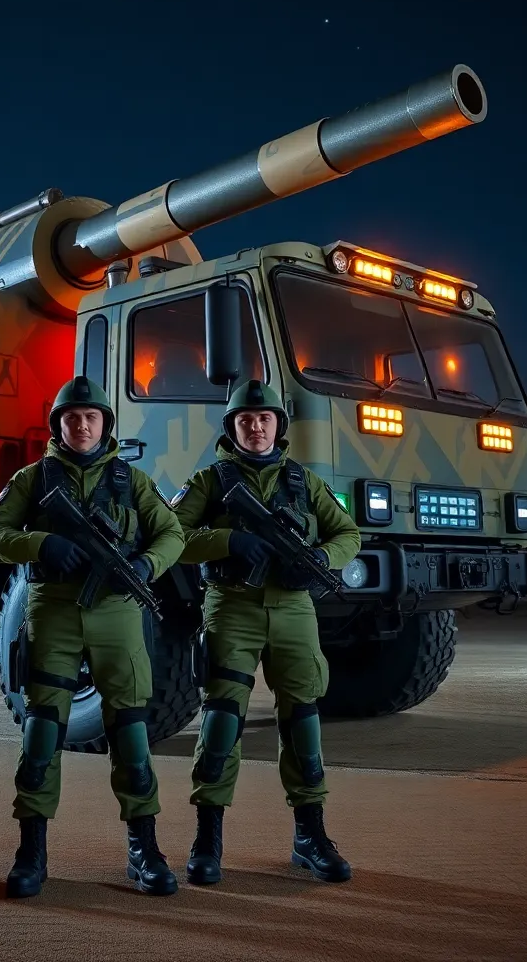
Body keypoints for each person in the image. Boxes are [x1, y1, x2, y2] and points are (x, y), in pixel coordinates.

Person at [0, 376, 185, 899]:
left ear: (104, 424)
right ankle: (32, 850)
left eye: (91, 417)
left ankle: (145, 849)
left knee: (132, 733)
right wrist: (41, 544)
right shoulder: (33, 478)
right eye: (72, 418)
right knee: (43, 731)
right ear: (59, 425)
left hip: (119, 614)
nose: (82, 425)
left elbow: (172, 534)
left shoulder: (131, 481)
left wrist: (145, 561)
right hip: (53, 612)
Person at [170, 379, 361, 885]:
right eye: (245, 420)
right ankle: (207, 838)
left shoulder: (302, 481)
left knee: (302, 720)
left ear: (279, 425)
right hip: (232, 608)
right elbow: (172, 536)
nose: (256, 427)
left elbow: (349, 534)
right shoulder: (211, 481)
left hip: (294, 610)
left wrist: (321, 557)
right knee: (222, 721)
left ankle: (310, 836)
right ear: (232, 428)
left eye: (265, 419)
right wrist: (228, 540)